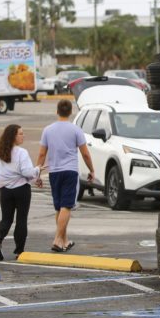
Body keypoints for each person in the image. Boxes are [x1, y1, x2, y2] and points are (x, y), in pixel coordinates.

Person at [37, 99, 94, 252]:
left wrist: (37, 173)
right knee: (66, 206)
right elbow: (85, 154)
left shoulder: (48, 130)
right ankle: (57, 239)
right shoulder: (75, 130)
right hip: (70, 171)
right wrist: (91, 170)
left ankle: (64, 241)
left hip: (54, 172)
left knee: (60, 208)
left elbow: (42, 153)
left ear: (57, 111)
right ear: (70, 112)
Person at [0, 124, 43, 261]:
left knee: (6, 219)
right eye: (20, 133)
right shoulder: (21, 152)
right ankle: (19, 249)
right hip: (21, 189)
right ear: (13, 136)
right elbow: (27, 172)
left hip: (5, 190)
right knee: (21, 220)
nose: (23, 136)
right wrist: (37, 170)